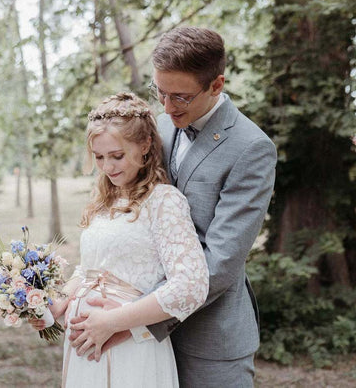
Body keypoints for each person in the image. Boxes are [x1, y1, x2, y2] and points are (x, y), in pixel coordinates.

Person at [69, 27, 277, 387]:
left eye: (180, 97)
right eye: (159, 93)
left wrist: (134, 321)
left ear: (216, 85)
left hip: (208, 339)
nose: (166, 107)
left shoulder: (251, 148)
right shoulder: (158, 127)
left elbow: (222, 261)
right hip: (136, 343)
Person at [30, 92, 209, 388]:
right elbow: (88, 270)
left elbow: (191, 285)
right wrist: (57, 304)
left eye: (117, 156)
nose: (108, 167)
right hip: (84, 347)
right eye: (99, 157)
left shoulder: (164, 201)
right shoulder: (103, 201)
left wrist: (114, 321)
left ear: (145, 145)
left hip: (130, 346)